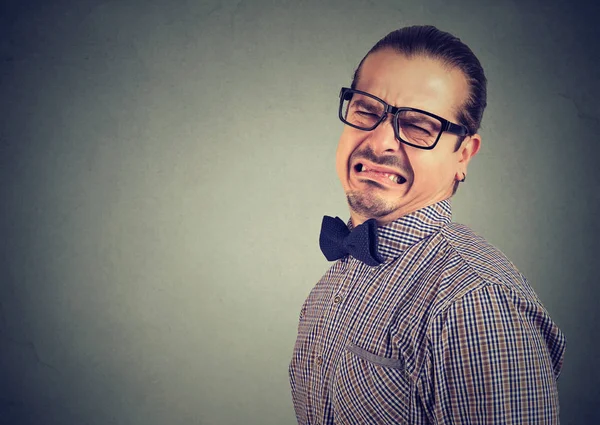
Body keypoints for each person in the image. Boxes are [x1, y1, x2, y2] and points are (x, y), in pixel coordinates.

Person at [289, 25, 566, 425]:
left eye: (419, 126)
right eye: (367, 109)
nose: (380, 141)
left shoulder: (474, 304)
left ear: (463, 155)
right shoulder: (334, 282)